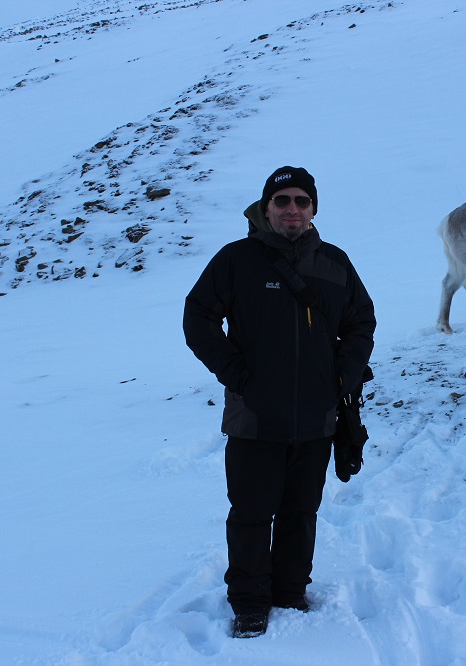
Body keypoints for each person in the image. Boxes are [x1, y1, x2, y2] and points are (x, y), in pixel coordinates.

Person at [183, 166, 376, 638]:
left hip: (316, 416)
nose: (292, 209)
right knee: (250, 513)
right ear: (266, 207)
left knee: (301, 510)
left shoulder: (334, 263)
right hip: (254, 415)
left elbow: (361, 323)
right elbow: (198, 318)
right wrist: (236, 374)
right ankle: (250, 601)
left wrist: (342, 374)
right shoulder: (236, 260)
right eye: (282, 200)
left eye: (300, 201)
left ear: (313, 209)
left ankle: (289, 590)